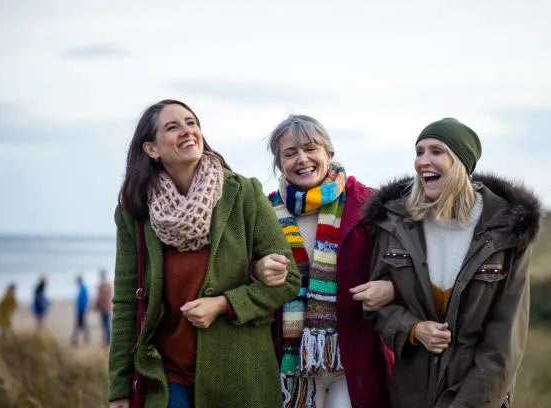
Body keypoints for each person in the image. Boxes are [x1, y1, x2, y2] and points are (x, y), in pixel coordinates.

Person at [108, 99, 300, 408]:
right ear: (151, 149)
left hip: (240, 375)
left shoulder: (243, 193)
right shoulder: (135, 212)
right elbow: (126, 303)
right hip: (166, 378)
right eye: (173, 127)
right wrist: (119, 389)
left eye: (191, 123)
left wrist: (225, 304)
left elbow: (289, 281)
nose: (187, 131)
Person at [365, 118, 541, 407]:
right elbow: (377, 308)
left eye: (436, 151)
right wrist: (413, 329)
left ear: (460, 162)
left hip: (478, 394)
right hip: (410, 395)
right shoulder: (395, 223)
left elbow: (504, 340)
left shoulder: (505, 231)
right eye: (419, 152)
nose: (423, 161)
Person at [254, 114, 394, 408]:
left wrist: (391, 287)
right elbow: (244, 268)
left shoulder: (368, 204)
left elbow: (402, 266)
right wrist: (256, 270)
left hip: (354, 356)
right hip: (292, 364)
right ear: (280, 163)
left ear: (328, 153)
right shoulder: (264, 212)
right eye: (290, 153)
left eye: (310, 149)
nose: (302, 159)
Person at [95, 268, 113, 346]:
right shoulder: (108, 285)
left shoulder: (103, 286)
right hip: (107, 308)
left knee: (105, 325)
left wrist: (96, 306)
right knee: (106, 325)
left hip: (104, 309)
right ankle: (107, 340)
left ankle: (107, 340)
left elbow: (101, 298)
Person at [71, 275, 90, 346]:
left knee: (79, 325)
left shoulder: (82, 288)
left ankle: (76, 340)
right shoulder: (82, 287)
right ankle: (83, 338)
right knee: (81, 324)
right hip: (81, 309)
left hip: (81, 310)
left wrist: (82, 309)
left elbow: (84, 299)